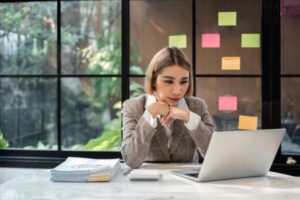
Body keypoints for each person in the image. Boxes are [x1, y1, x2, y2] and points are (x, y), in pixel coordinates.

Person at [122, 47, 215, 168]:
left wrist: (187, 116)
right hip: (149, 183)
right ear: (154, 80)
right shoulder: (133, 107)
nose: (177, 91)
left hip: (188, 184)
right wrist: (151, 112)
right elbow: (131, 160)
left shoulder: (198, 106)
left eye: (183, 81)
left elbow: (213, 155)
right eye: (169, 81)